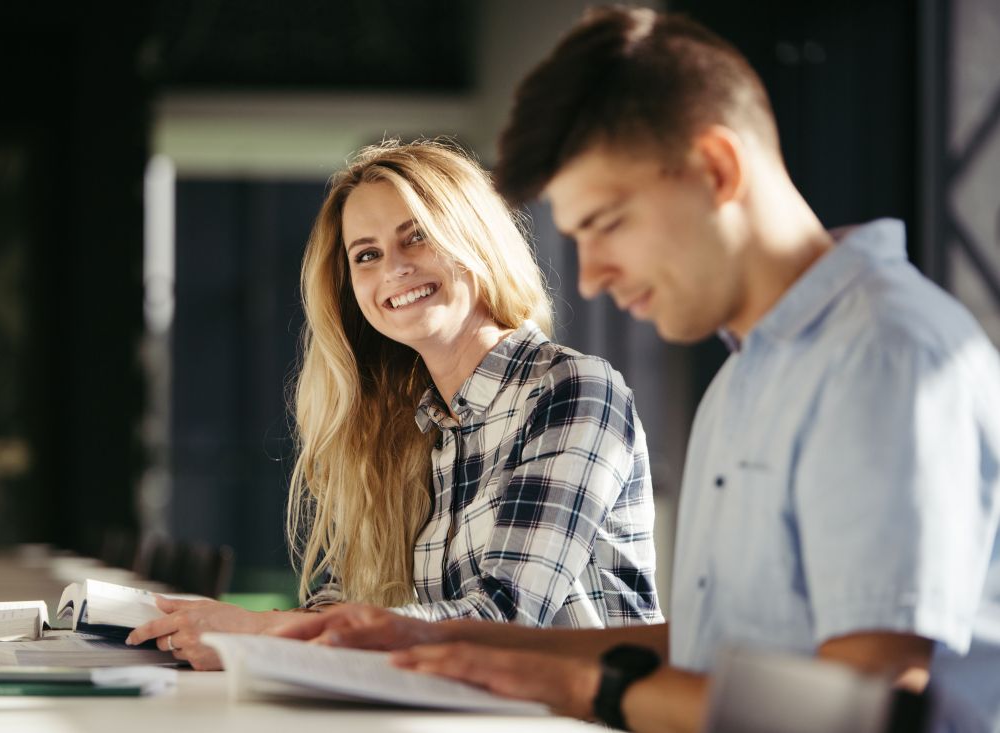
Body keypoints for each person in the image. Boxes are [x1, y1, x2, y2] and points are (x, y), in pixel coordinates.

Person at [272, 8, 1000, 733]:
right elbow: (709, 650)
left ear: (717, 168)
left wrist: (589, 689)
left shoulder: (880, 356)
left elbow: (861, 712)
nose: (588, 278)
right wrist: (429, 639)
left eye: (608, 222)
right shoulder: (748, 375)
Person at [127, 140, 662, 669]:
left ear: (475, 238)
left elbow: (507, 621)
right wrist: (222, 626)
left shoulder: (571, 389)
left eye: (417, 237)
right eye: (367, 255)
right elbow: (352, 603)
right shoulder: (412, 422)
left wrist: (266, 633)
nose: (394, 269)